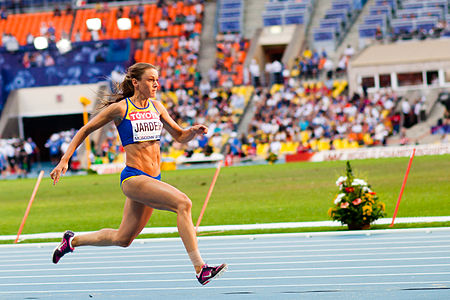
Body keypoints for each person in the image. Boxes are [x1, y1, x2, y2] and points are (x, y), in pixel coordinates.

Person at [50, 63, 227, 285]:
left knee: (123, 238)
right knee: (183, 203)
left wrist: (191, 132)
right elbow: (85, 130)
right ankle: (200, 268)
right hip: (133, 178)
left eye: (157, 79)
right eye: (151, 79)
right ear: (136, 82)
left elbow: (179, 136)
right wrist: (64, 160)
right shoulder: (121, 109)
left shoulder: (157, 107)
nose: (156, 84)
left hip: (153, 179)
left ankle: (72, 241)